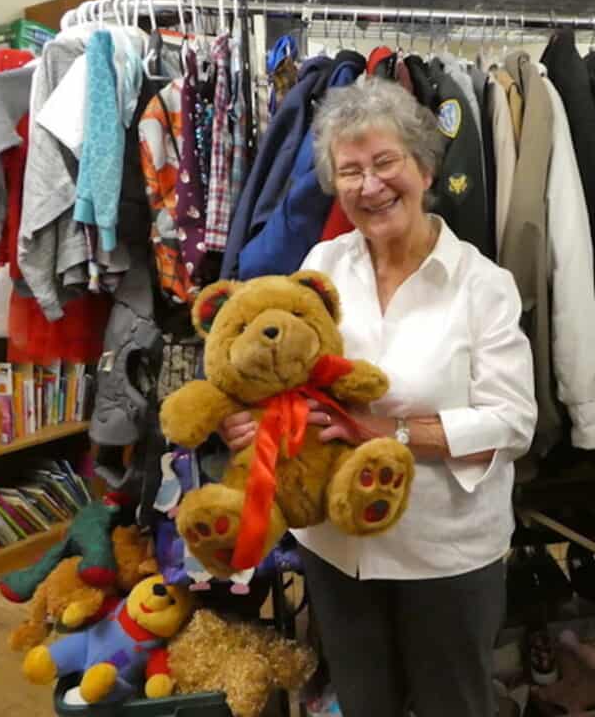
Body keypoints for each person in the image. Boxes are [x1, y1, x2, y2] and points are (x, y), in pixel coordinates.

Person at [217, 78, 537, 717]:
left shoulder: (482, 285)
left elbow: (512, 421)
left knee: (455, 705)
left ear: (423, 167)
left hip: (444, 550)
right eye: (350, 171)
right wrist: (254, 423)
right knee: (365, 704)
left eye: (385, 162)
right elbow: (288, 374)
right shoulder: (323, 265)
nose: (370, 186)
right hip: (337, 548)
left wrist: (389, 435)